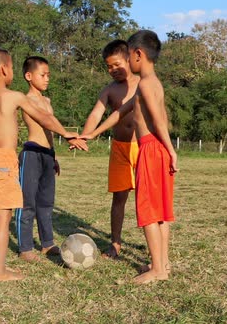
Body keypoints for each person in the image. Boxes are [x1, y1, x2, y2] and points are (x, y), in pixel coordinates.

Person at [0, 47, 85, 282]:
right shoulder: (14, 96)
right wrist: (67, 133)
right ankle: (0, 272)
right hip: (3, 160)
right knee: (4, 217)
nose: (12, 71)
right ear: (3, 69)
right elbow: (44, 118)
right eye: (11, 67)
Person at [81, 30, 179, 284]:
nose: (114, 69)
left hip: (150, 148)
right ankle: (162, 263)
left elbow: (159, 120)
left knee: (147, 210)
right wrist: (91, 134)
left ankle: (157, 269)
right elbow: (118, 114)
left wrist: (170, 149)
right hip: (154, 149)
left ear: (136, 55)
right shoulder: (152, 83)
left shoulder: (145, 84)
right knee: (160, 211)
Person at [16, 56, 84, 262]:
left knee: (46, 203)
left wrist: (54, 155)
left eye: (49, 75)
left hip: (47, 156)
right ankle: (25, 248)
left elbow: (50, 128)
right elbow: (44, 121)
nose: (47, 79)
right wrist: (68, 134)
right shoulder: (25, 100)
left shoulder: (47, 101)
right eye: (42, 75)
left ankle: (47, 244)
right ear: (29, 76)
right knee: (27, 203)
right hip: (32, 153)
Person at [80, 40, 140, 259]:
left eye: (116, 64)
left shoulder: (144, 83)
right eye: (108, 66)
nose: (112, 70)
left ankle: (153, 246)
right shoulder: (110, 90)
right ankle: (115, 243)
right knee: (119, 198)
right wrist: (85, 136)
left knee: (144, 198)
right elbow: (96, 113)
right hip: (119, 149)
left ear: (130, 59)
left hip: (142, 148)